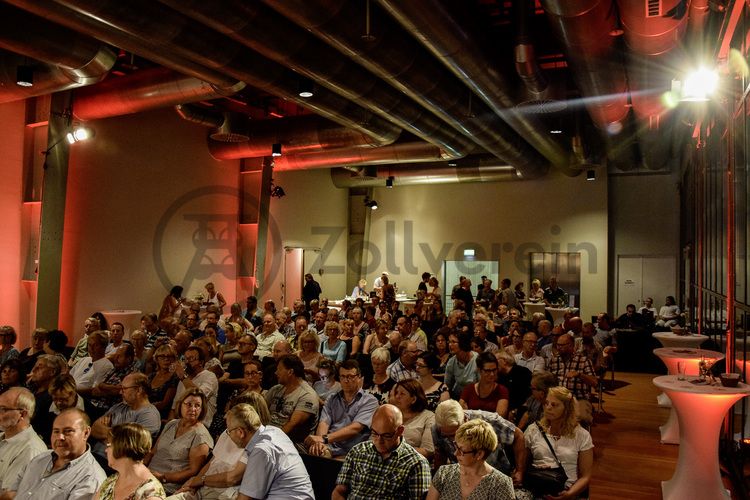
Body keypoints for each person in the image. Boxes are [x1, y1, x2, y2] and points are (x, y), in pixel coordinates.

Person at [334, 404, 431, 500]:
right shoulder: (357, 451)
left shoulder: (416, 463)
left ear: (400, 431)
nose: (379, 441)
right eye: (375, 433)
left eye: (386, 435)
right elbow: (339, 491)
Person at [8, 408, 106, 498]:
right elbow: (11, 494)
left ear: (86, 433)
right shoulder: (40, 458)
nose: (60, 437)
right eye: (56, 431)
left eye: (68, 431)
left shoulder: (91, 478)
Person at [229, 403, 314, 499]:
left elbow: (245, 498)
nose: (228, 435)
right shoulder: (275, 431)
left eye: (229, 431)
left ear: (240, 432)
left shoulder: (261, 450)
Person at [432, 399, 526, 487]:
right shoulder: (437, 429)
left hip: (497, 477)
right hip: (462, 479)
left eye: (454, 434)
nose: (453, 440)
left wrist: (520, 470)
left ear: (465, 419)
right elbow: (440, 457)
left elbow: (518, 436)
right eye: (447, 436)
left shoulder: (488, 421)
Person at [523, 387, 594, 499]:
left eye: (554, 405)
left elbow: (585, 477)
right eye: (546, 403)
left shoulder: (581, 435)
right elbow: (522, 465)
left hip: (567, 490)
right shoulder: (533, 430)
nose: (548, 408)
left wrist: (569, 494)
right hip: (537, 488)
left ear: (567, 409)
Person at [305, 359, 378, 458]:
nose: (346, 380)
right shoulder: (332, 398)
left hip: (353, 451)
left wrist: (323, 439)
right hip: (330, 446)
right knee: (315, 452)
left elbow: (355, 428)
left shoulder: (369, 401)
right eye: (343, 376)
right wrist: (320, 443)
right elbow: (324, 423)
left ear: (359, 378)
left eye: (350, 376)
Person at [427, 419, 516, 500]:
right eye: (456, 447)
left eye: (461, 450)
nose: (455, 453)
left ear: (479, 454)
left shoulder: (501, 484)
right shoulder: (444, 474)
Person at [146, 389, 213, 494]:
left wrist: (163, 477)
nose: (193, 409)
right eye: (189, 404)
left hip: (167, 485)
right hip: (147, 476)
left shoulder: (201, 436)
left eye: (197, 405)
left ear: (202, 409)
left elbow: (193, 471)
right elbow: (153, 452)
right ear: (180, 404)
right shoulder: (171, 424)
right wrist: (140, 466)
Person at [90, 373, 162, 460]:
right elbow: (94, 429)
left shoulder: (149, 416)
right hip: (93, 454)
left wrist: (105, 433)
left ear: (139, 390)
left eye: (124, 389)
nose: (120, 392)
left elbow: (130, 447)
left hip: (112, 463)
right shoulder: (119, 407)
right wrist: (119, 437)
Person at [95, 423, 166, 500]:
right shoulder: (112, 480)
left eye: (109, 445)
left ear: (123, 448)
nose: (106, 450)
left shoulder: (151, 494)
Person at [0, 387, 48, 496]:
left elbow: (10, 495)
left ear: (22, 414)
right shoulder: (3, 436)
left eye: (3, 409)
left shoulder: (31, 449)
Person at [264, 354, 319, 443]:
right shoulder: (276, 389)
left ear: (290, 372)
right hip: (268, 434)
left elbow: (292, 426)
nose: (276, 372)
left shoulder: (307, 395)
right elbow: (260, 410)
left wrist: (269, 442)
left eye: (279, 369)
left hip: (290, 442)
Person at [547, 334, 597, 426]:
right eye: (557, 345)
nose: (558, 348)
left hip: (578, 398)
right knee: (545, 414)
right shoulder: (554, 360)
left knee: (581, 416)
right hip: (558, 398)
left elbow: (594, 382)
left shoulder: (583, 360)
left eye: (562, 345)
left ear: (571, 345)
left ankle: (581, 438)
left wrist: (579, 375)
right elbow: (548, 381)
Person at [170, 346, 219, 427]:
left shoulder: (210, 376)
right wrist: (170, 424)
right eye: (185, 359)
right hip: (181, 424)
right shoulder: (183, 380)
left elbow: (198, 396)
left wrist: (182, 377)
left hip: (200, 425)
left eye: (191, 358)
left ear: (201, 362)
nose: (187, 362)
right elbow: (174, 407)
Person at [390, 379, 435, 459]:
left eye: (402, 394)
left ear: (413, 399)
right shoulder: (390, 414)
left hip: (414, 461)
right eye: (396, 393)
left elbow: (427, 451)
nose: (397, 396)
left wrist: (396, 452)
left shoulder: (428, 417)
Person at [460, 351, 509, 418]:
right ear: (479, 370)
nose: (492, 374)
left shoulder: (502, 390)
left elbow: (499, 418)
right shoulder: (468, 389)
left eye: (494, 370)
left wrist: (471, 413)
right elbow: (460, 413)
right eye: (488, 371)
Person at [444, 331, 478, 400]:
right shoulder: (451, 362)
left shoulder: (477, 360)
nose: (450, 345)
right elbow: (447, 385)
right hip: (458, 396)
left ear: (462, 343)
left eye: (453, 342)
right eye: (449, 342)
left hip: (475, 397)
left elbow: (482, 385)